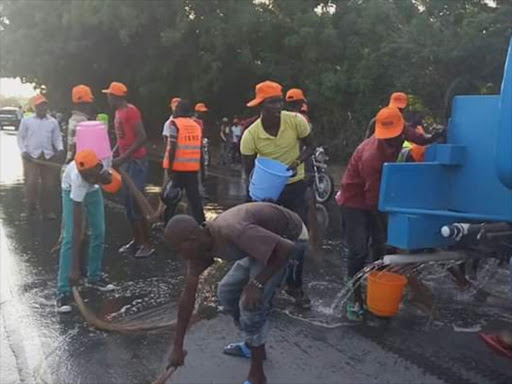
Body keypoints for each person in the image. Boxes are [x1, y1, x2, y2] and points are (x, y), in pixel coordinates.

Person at [165, 202, 308, 384]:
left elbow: (287, 248)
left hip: (290, 237)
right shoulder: (199, 247)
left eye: (179, 248)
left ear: (192, 238)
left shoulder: (232, 230)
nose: (180, 255)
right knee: (225, 292)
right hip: (260, 242)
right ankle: (252, 344)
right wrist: (177, 346)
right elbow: (187, 297)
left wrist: (256, 283)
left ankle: (257, 376)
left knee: (251, 306)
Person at [241, 80, 314, 307]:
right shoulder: (250, 135)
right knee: (264, 238)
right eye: (272, 102)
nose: (277, 106)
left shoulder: (295, 122)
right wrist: (259, 196)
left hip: (294, 185)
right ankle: (261, 282)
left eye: (279, 101)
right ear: (261, 105)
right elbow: (248, 170)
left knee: (300, 236)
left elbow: (311, 146)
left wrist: (298, 161)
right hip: (268, 192)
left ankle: (295, 286)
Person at [336, 106, 406, 319]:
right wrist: (385, 224)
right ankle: (354, 297)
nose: (392, 141)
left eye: (396, 136)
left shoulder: (402, 134)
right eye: (388, 139)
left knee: (381, 245)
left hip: (374, 198)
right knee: (358, 250)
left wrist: (431, 137)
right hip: (354, 202)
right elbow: (372, 200)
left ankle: (376, 288)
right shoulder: (371, 156)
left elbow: (414, 135)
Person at [56, 150, 116, 312]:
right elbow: (77, 229)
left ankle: (93, 277)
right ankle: (63, 290)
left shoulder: (102, 165)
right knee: (70, 237)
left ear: (98, 167)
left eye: (91, 174)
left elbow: (109, 179)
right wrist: (74, 269)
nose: (88, 178)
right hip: (70, 191)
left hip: (94, 191)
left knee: (99, 231)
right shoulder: (78, 180)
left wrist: (103, 178)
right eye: (85, 175)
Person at [102, 81, 154, 258]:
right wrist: (113, 154)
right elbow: (122, 138)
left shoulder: (131, 112)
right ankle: (136, 240)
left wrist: (123, 157)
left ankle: (147, 244)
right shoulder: (118, 113)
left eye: (109, 95)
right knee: (128, 204)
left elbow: (142, 137)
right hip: (126, 163)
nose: (107, 98)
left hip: (136, 163)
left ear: (116, 97)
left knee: (137, 203)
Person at [17, 94, 63, 219]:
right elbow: (20, 138)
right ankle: (30, 208)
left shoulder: (52, 122)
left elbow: (57, 138)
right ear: (35, 107)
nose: (42, 108)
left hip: (47, 157)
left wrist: (60, 149)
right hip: (31, 157)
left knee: (49, 185)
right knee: (31, 183)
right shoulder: (27, 121)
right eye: (39, 106)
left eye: (44, 106)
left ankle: (47, 211)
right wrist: (23, 151)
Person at [161, 99, 205, 224]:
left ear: (179, 110)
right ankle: (202, 225)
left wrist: (169, 168)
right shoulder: (196, 125)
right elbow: (199, 149)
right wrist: (203, 170)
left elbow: (172, 147)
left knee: (171, 198)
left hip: (177, 168)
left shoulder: (174, 124)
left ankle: (167, 224)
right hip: (192, 169)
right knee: (195, 200)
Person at [365, 92, 444, 145]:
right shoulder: (377, 121)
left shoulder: (401, 124)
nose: (398, 110)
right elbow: (420, 140)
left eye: (399, 108)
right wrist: (433, 136)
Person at [66, 85, 95, 163]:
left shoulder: (73, 118)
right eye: (88, 104)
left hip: (73, 162)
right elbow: (77, 146)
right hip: (79, 163)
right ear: (84, 105)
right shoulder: (81, 121)